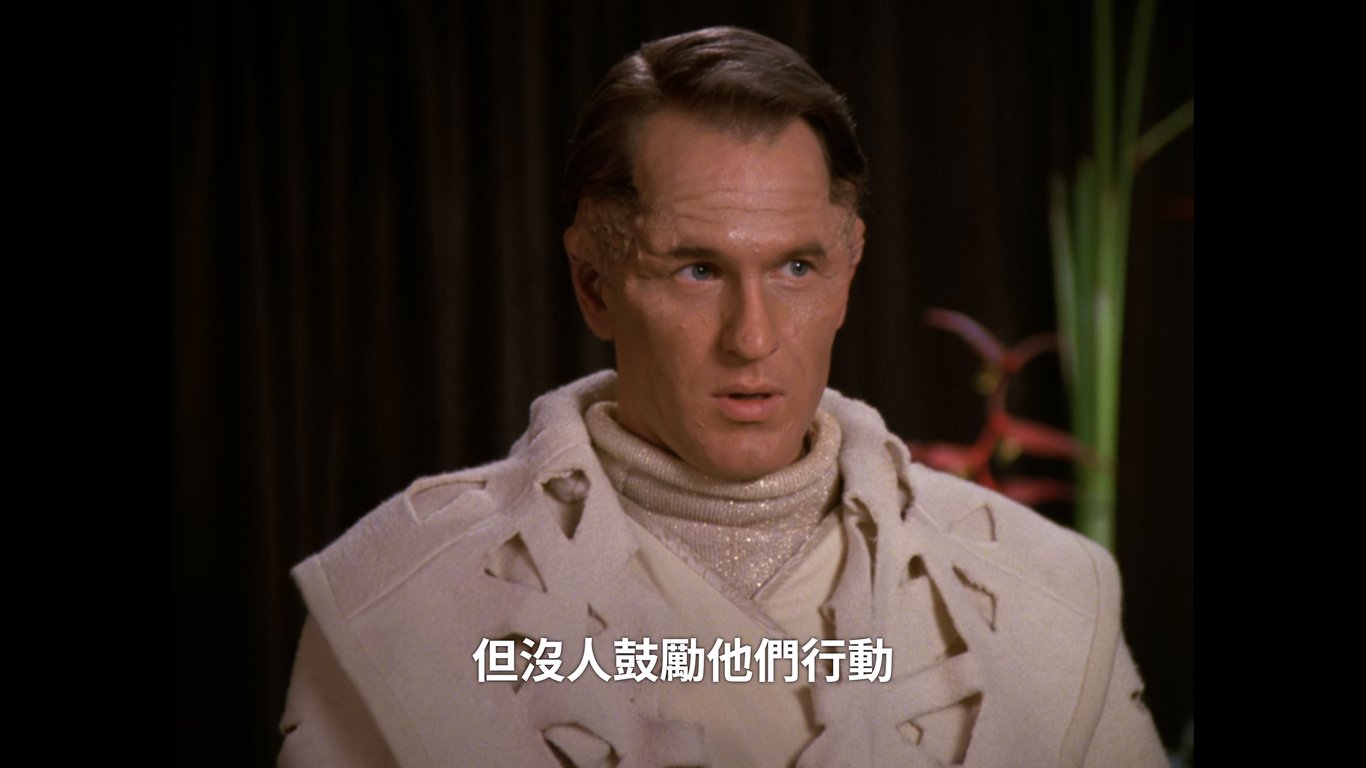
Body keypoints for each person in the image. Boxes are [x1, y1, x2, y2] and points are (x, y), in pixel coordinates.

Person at [277, 26, 1167, 768]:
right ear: (594, 283)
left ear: (849, 270)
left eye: (796, 267)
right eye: (697, 269)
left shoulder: (1048, 599)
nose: (752, 337)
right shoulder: (400, 609)